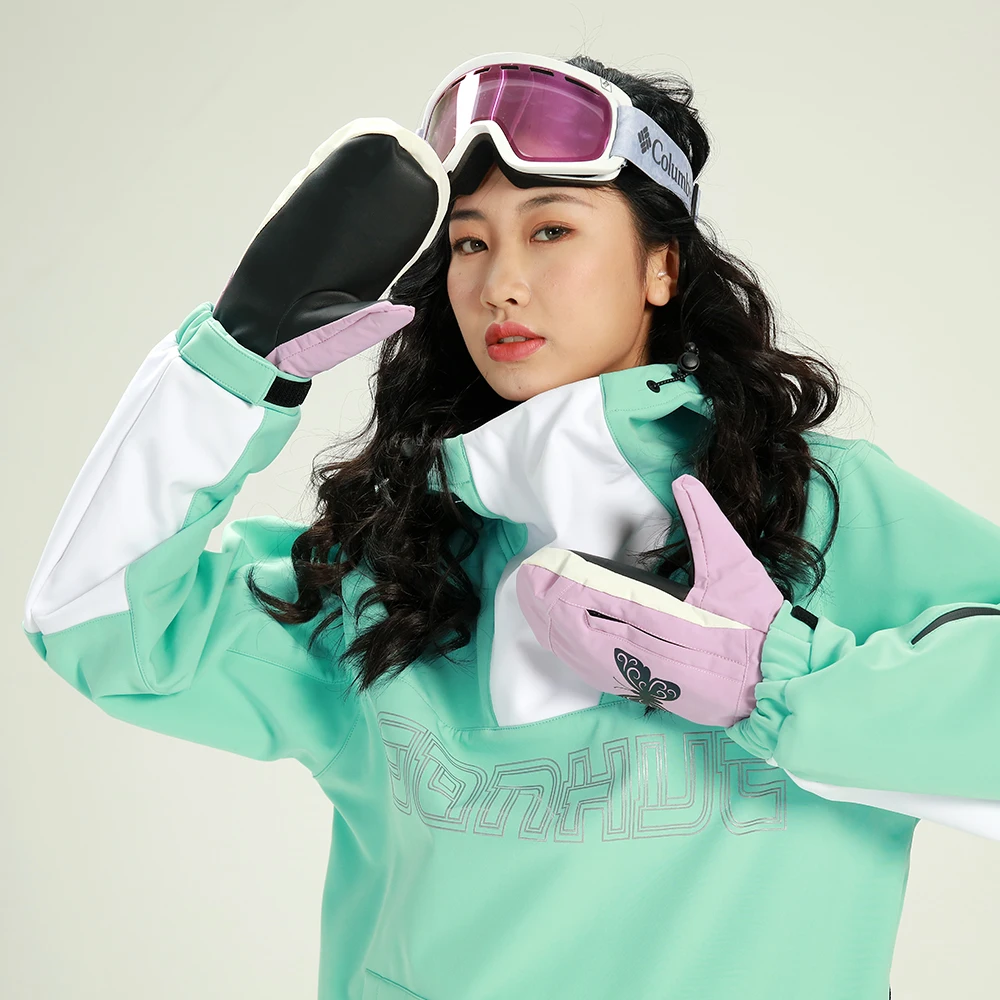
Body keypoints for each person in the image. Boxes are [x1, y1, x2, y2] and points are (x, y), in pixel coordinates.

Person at [20, 50, 1000, 1000]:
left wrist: (777, 680)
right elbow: (95, 621)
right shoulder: (398, 572)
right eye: (470, 243)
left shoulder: (811, 506)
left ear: (661, 266)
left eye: (551, 230)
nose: (501, 284)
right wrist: (236, 365)